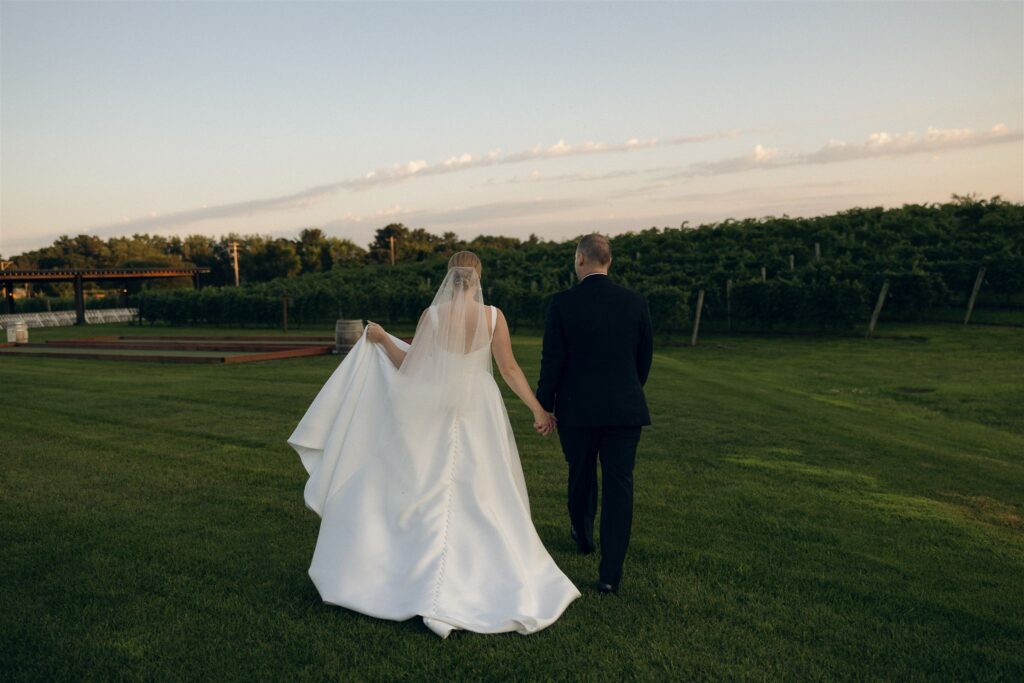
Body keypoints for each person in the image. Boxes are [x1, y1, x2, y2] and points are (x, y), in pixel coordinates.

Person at [287, 251, 579, 639]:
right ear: (478, 278)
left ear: (449, 278)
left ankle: (410, 571)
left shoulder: (433, 316)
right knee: (484, 487)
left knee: (428, 483)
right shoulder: (494, 316)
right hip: (480, 409)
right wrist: (538, 410)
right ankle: (485, 570)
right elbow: (509, 369)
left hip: (435, 411)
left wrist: (380, 339)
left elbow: (410, 367)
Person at [536, 233, 653, 595]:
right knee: (621, 487)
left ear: (581, 260)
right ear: (609, 261)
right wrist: (628, 391)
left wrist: (545, 404)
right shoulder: (635, 302)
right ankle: (609, 574)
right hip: (625, 409)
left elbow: (552, 360)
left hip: (577, 409)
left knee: (581, 474)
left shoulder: (562, 303)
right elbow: (643, 358)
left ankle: (583, 535)